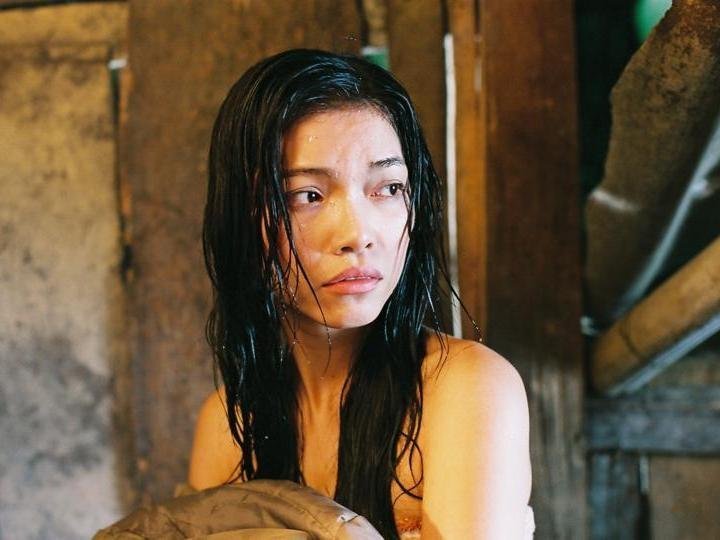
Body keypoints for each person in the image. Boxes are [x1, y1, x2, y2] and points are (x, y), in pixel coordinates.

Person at [189, 48, 532, 539]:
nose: (358, 234)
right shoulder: (227, 427)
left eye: (388, 188)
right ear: (242, 217)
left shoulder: (465, 389)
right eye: (307, 195)